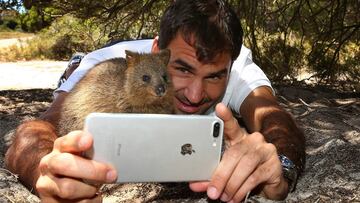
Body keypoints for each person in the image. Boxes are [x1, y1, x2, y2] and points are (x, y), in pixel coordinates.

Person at [5, 0, 305, 202]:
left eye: (214, 77)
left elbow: (274, 118)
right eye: (182, 69)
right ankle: (74, 62)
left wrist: (280, 165)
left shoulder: (235, 67)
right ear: (158, 49)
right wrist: (44, 169)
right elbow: (35, 131)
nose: (195, 95)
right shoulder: (106, 64)